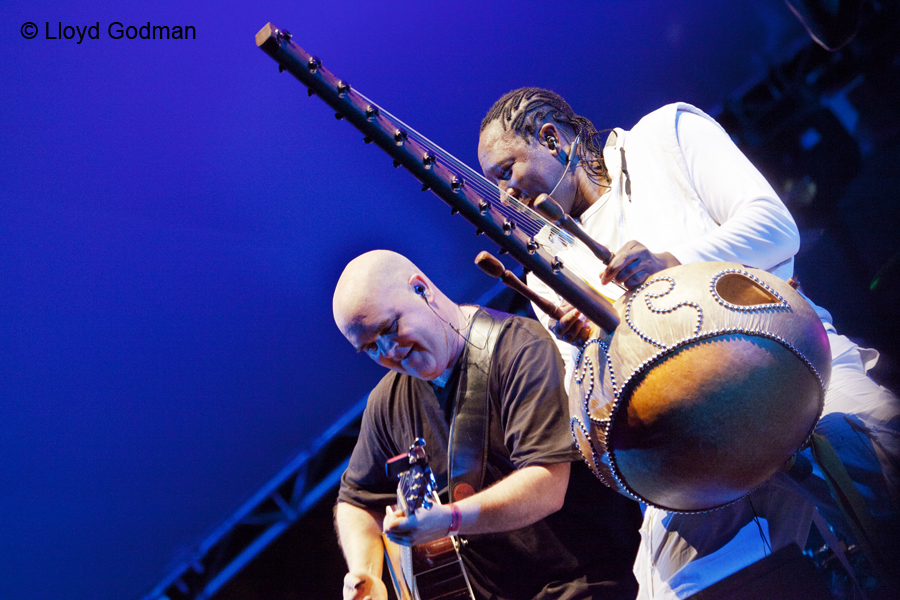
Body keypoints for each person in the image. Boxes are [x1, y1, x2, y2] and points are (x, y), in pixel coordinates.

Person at [476, 88, 899, 598]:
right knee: (668, 587)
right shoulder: (546, 271)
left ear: (552, 140)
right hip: (688, 454)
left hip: (793, 371)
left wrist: (672, 264)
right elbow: (591, 417)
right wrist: (589, 356)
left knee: (878, 481)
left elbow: (774, 228)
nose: (502, 198)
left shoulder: (667, 134)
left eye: (506, 172)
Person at [332, 249, 642, 600]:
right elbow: (356, 501)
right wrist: (366, 572)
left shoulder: (519, 347)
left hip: (584, 583)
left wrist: (450, 519)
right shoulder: (386, 403)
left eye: (390, 328)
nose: (390, 351)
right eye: (370, 347)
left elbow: (546, 485)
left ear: (421, 288)